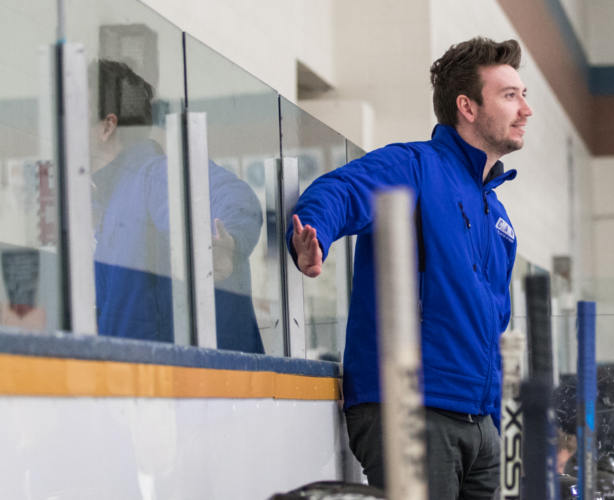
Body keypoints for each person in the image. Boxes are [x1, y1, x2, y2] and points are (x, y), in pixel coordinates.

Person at [286, 37, 532, 498]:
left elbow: (495, 330)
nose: (526, 109)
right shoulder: (415, 166)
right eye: (510, 95)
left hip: (480, 424)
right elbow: (338, 190)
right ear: (468, 107)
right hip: (412, 413)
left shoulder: (498, 219)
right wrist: (312, 234)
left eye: (524, 95)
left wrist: (497, 423)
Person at [91, 59, 263, 353]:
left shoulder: (153, 176)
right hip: (141, 384)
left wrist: (227, 243)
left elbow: (234, 196)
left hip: (183, 384)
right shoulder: (113, 199)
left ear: (107, 126)